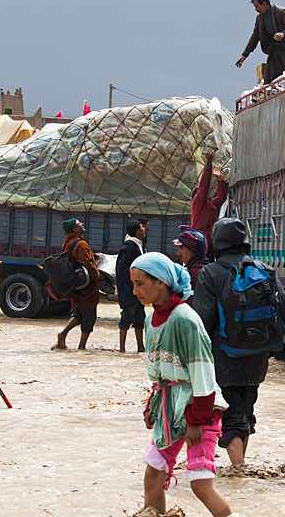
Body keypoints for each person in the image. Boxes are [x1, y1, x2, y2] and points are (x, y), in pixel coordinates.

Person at [130, 253, 234, 517]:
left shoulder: (185, 319)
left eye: (141, 283)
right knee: (153, 475)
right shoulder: (150, 319)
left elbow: (203, 373)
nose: (135, 291)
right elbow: (161, 375)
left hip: (199, 409)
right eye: (134, 284)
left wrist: (196, 420)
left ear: (161, 283)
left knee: (200, 483)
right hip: (169, 408)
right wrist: (151, 407)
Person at [193, 218, 285, 467]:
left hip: (224, 355)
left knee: (231, 417)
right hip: (257, 356)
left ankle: (239, 471)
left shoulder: (211, 273)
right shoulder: (264, 269)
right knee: (246, 412)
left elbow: (203, 321)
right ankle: (242, 464)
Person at [51, 218, 100, 350]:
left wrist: (93, 255)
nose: (83, 225)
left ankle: (63, 334)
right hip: (87, 288)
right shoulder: (81, 244)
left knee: (77, 314)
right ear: (75, 229)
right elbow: (88, 265)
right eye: (79, 224)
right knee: (89, 317)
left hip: (74, 286)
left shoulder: (68, 242)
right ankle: (81, 348)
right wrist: (98, 277)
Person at [235, 0, 285, 84]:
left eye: (257, 6)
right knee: (268, 79)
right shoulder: (260, 19)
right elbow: (255, 37)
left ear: (264, 4)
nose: (256, 9)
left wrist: (283, 34)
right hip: (274, 50)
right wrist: (244, 55)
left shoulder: (280, 12)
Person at [116, 219, 147, 353]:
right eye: (142, 228)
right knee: (127, 317)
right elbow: (122, 269)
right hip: (129, 290)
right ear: (136, 231)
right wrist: (135, 282)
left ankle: (141, 347)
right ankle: (122, 349)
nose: (144, 230)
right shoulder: (128, 248)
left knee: (140, 317)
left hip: (138, 290)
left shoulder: (140, 245)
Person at [190, 153, 228, 254]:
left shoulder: (210, 205)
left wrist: (219, 180)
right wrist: (209, 163)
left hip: (208, 242)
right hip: (199, 242)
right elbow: (204, 185)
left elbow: (221, 197)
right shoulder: (198, 203)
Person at [173, 229, 209, 305]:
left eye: (181, 248)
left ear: (192, 250)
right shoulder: (194, 269)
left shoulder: (197, 274)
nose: (178, 253)